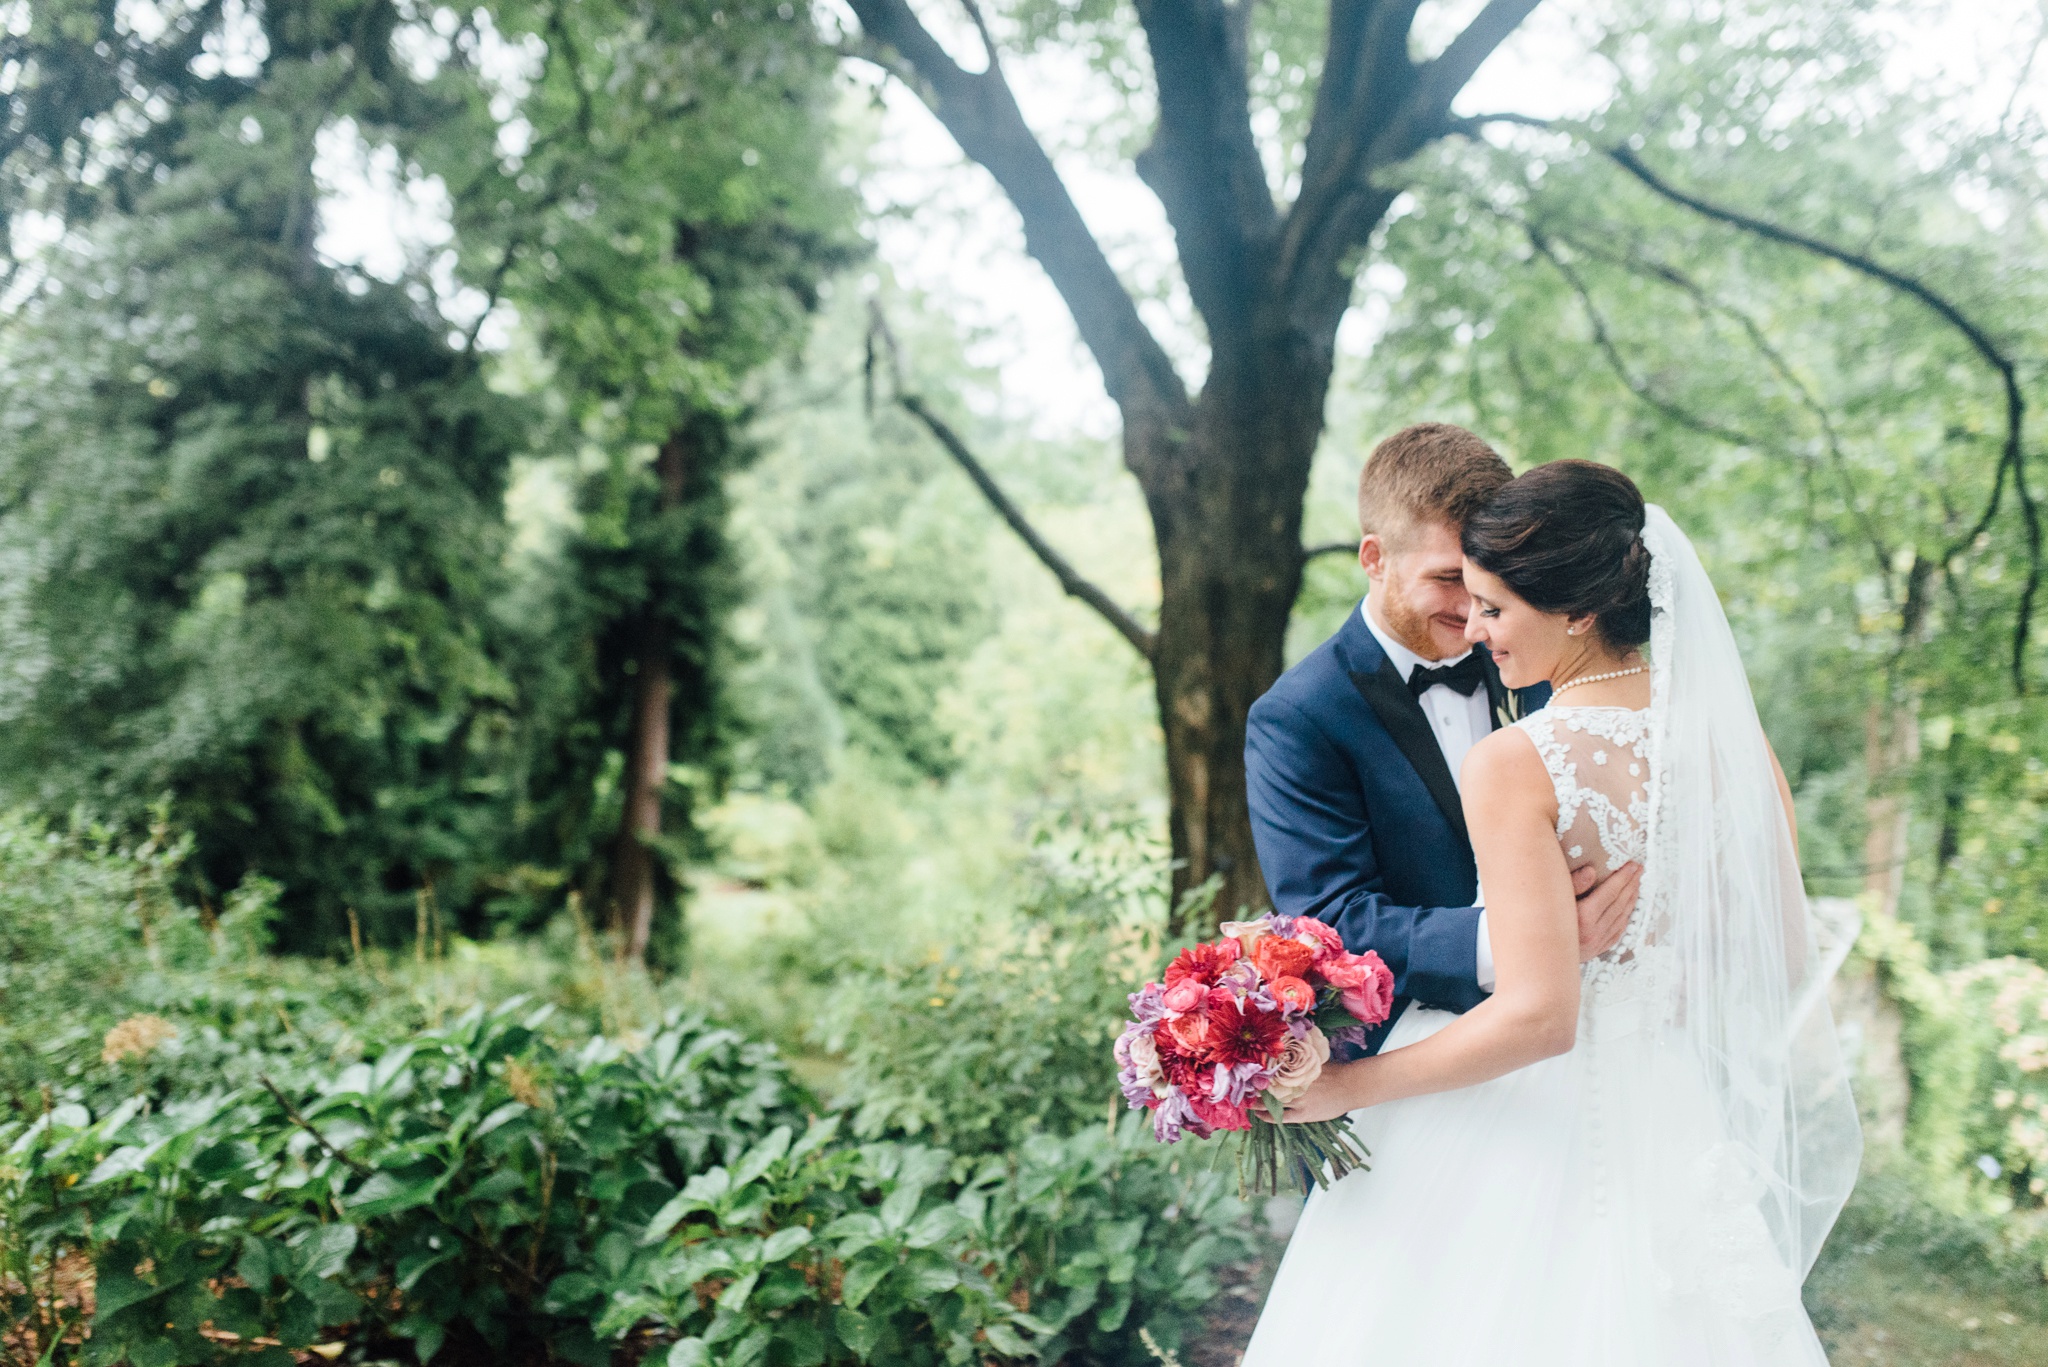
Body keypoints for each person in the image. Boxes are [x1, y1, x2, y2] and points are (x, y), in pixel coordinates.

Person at [1240, 460, 1863, 1365]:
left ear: (1574, 610)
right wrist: (1646, 976)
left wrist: (1338, 1088)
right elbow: (1783, 950)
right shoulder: (1735, 739)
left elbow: (1540, 1017)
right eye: (1468, 598)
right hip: (1666, 1107)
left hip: (1503, 1114)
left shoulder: (1515, 756)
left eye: (1494, 606)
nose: (1475, 628)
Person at [1245, 424, 1640, 1058]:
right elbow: (1330, 923)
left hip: (1599, 1037)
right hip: (1415, 1058)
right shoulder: (1300, 716)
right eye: (1450, 578)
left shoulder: (1542, 653)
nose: (1477, 609)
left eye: (1497, 582)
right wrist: (1525, 941)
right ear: (1374, 558)